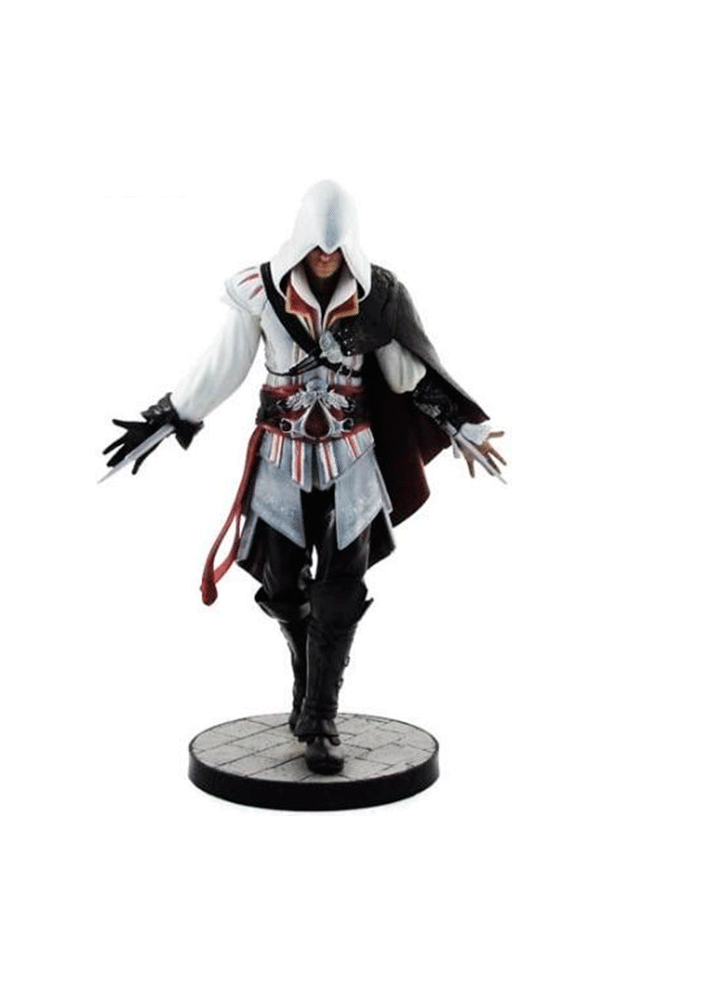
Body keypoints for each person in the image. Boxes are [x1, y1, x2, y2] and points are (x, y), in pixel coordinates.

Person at [104, 180, 506, 774]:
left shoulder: (377, 295)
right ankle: (304, 658)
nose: (325, 257)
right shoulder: (260, 292)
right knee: (284, 587)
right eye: (317, 247)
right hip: (281, 458)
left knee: (341, 590)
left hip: (352, 460)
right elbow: (223, 367)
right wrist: (172, 415)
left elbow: (406, 373)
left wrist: (459, 423)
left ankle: (320, 715)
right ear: (299, 241)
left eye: (335, 249)